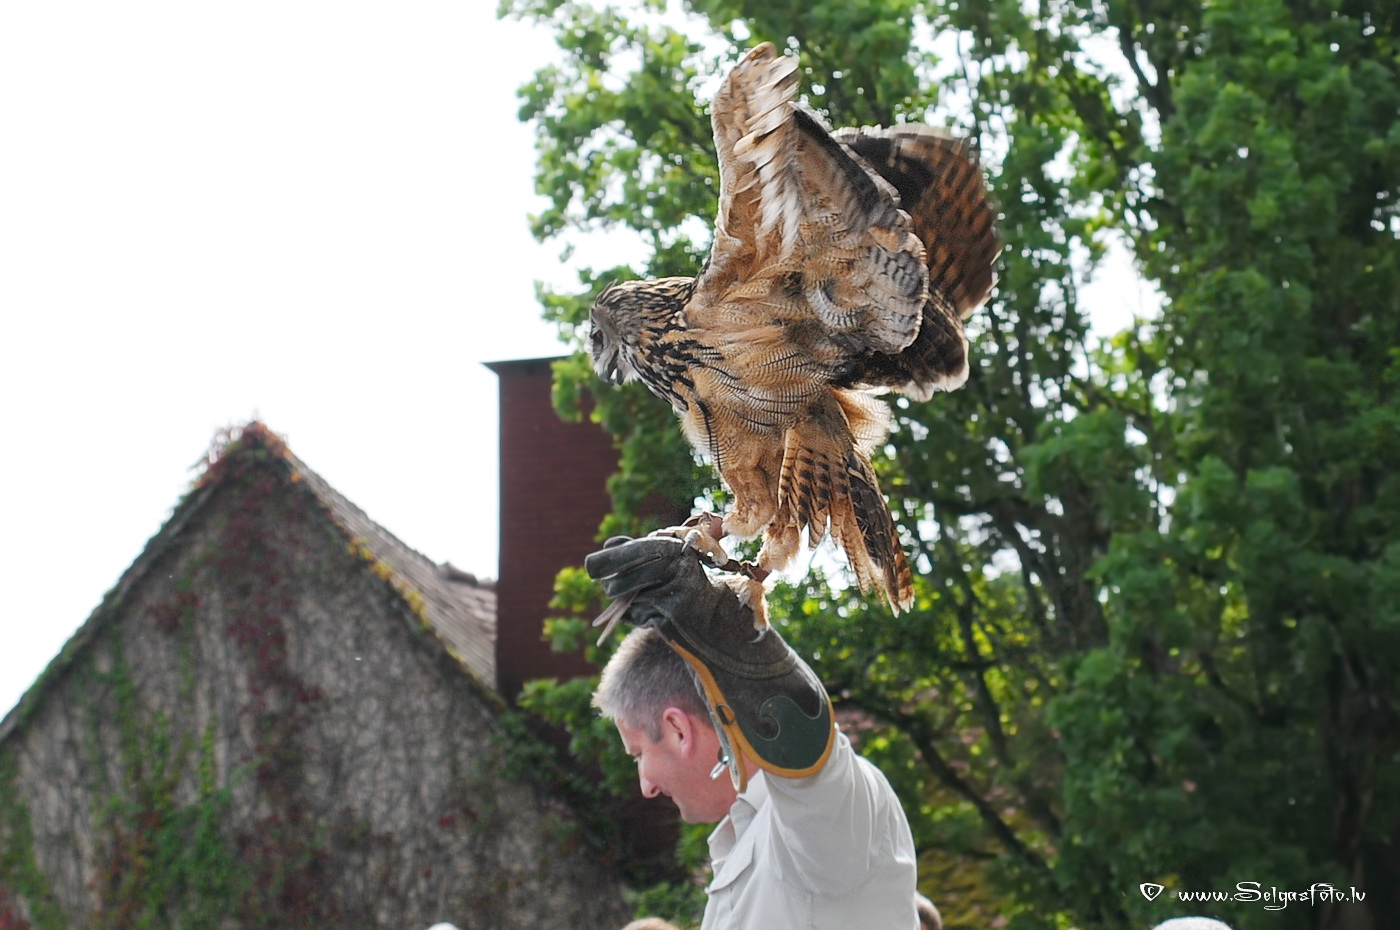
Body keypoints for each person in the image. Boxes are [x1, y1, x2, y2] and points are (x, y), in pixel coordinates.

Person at [587, 534, 921, 930]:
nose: (645, 786)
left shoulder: (824, 819)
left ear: (678, 730)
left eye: (638, 754)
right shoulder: (745, 844)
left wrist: (722, 628)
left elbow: (805, 746)